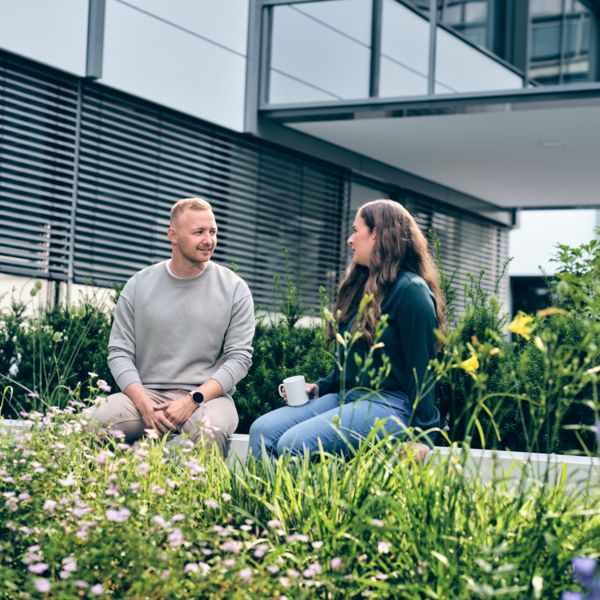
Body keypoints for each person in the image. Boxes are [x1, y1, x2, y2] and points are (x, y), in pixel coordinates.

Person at [248, 199, 444, 459]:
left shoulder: (411, 291)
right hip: (348, 397)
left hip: (392, 405)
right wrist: (318, 387)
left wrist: (422, 436)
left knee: (293, 444)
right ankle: (269, 500)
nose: (350, 240)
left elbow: (423, 369)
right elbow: (351, 363)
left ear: (378, 234)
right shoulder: (364, 288)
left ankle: (305, 500)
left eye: (356, 230)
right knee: (262, 431)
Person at [85, 197, 255, 453]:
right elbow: (119, 352)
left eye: (213, 231)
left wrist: (192, 399)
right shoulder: (138, 285)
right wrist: (142, 402)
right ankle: (96, 492)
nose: (209, 240)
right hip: (145, 396)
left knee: (211, 430)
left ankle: (199, 494)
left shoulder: (235, 289)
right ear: (172, 235)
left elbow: (239, 358)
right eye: (199, 232)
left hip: (208, 399)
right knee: (86, 425)